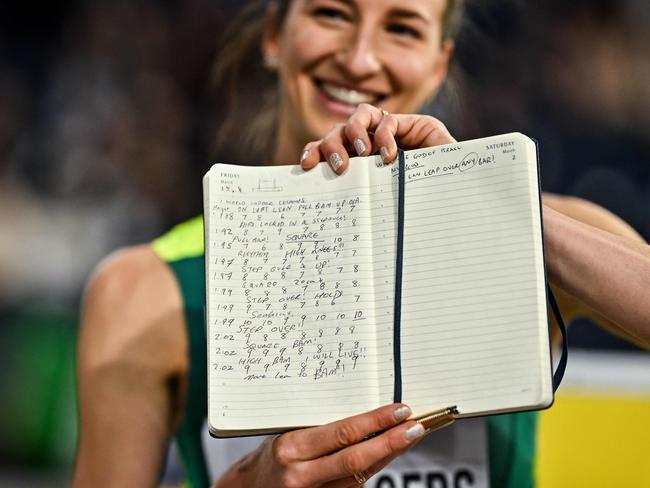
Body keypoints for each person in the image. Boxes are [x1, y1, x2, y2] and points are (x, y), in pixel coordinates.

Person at [73, 1, 650, 487]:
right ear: (276, 35)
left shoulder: (535, 230)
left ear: (439, 62)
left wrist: (490, 202)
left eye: (402, 27)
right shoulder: (144, 289)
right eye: (331, 13)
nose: (359, 58)